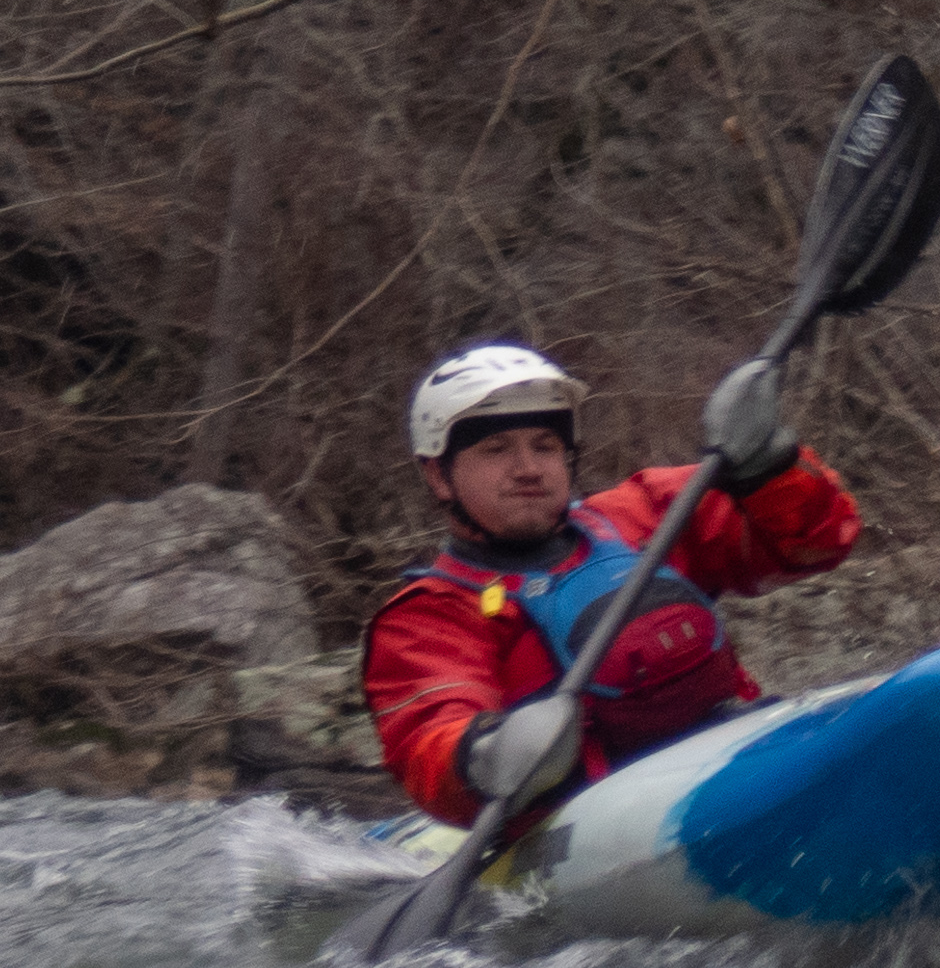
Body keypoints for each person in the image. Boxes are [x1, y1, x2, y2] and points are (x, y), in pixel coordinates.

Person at [361, 339, 859, 826]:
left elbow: (816, 541)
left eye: (545, 446)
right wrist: (484, 755)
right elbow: (428, 740)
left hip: (736, 754)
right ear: (439, 476)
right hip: (599, 826)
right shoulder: (429, 617)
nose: (528, 469)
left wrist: (769, 468)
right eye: (496, 450)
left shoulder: (646, 512)